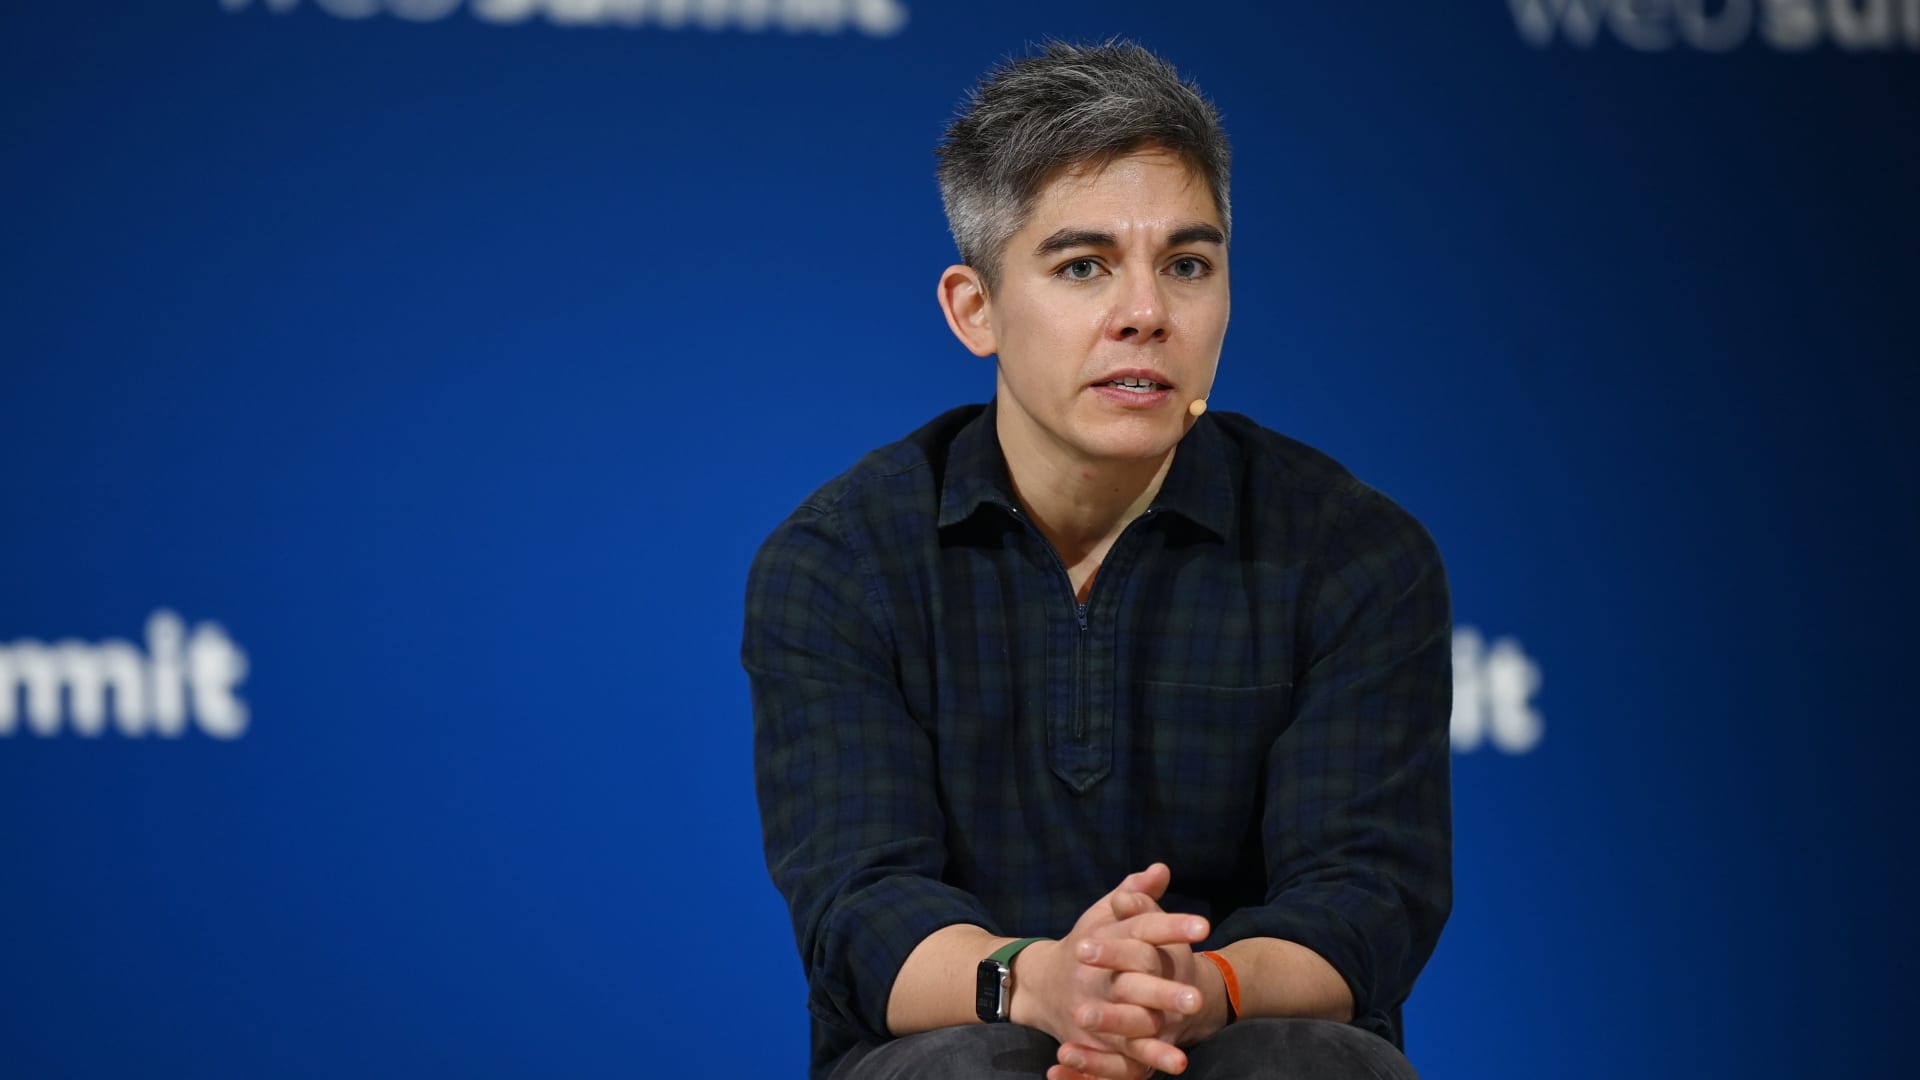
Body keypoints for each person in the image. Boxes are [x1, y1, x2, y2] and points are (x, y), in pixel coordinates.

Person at [743, 40, 1452, 1080]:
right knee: (967, 1067)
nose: (1146, 314)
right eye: (1083, 266)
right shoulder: (840, 564)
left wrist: (1190, 991)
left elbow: (1365, 898)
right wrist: (1046, 983)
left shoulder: (1353, 554)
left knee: (1301, 1063)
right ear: (975, 309)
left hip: (1238, 1025)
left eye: (1187, 266)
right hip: (970, 1024)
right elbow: (861, 908)